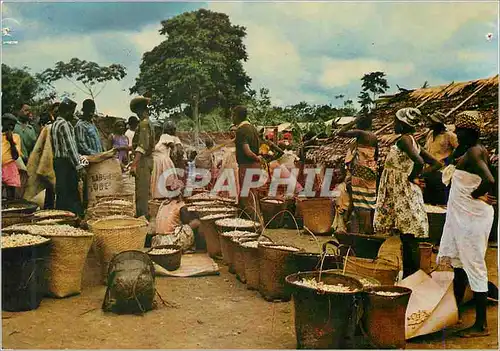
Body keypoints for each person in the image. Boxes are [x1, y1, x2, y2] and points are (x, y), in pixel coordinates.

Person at [437, 111, 496, 338]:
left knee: (473, 266)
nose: (456, 134)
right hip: (464, 217)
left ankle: (480, 325)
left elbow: (489, 180)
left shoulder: (473, 152)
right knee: (459, 263)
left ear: (469, 132)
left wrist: (476, 195)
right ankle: (456, 309)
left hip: (472, 217)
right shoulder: (472, 150)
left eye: (459, 131)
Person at [374, 107, 442, 278]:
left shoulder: (404, 140)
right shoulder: (413, 141)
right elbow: (435, 163)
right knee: (407, 237)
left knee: (408, 238)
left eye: (396, 122)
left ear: (403, 124)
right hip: (403, 192)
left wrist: (412, 177)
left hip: (404, 193)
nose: (394, 124)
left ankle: (411, 278)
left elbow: (419, 161)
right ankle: (410, 276)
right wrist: (415, 176)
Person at [338, 114, 378, 234]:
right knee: (368, 202)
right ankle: (368, 230)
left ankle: (365, 232)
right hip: (370, 170)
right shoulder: (373, 136)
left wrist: (354, 121)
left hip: (361, 171)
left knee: (362, 203)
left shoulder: (362, 134)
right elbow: (376, 156)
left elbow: (341, 132)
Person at [50, 98, 85, 217]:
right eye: (72, 111)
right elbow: (70, 148)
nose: (73, 114)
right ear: (67, 111)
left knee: (62, 192)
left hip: (58, 162)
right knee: (71, 192)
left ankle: (61, 216)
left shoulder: (54, 124)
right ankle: (74, 217)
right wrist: (79, 166)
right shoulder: (64, 124)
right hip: (66, 163)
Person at [233, 105, 263, 221]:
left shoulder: (241, 130)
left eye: (233, 115)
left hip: (247, 166)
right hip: (255, 167)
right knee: (253, 195)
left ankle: (254, 225)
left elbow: (247, 150)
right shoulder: (253, 128)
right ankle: (256, 221)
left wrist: (256, 158)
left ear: (236, 116)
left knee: (247, 197)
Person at [422, 111, 459, 205]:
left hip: (441, 171)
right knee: (428, 200)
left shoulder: (449, 135)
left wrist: (450, 161)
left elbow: (459, 149)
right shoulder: (430, 134)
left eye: (432, 122)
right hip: (429, 170)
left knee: (441, 200)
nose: (430, 124)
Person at [75, 99, 103, 209]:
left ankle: (97, 208)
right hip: (86, 159)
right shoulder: (80, 125)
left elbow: (98, 141)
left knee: (96, 184)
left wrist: (102, 154)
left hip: (97, 159)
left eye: (92, 110)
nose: (91, 113)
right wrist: (95, 155)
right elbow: (81, 145)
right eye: (89, 110)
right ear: (84, 110)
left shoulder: (92, 124)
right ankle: (86, 209)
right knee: (87, 185)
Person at [130, 96, 155, 219]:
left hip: (143, 161)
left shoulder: (144, 124)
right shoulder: (148, 123)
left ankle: (142, 219)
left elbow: (142, 147)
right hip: (146, 160)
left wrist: (134, 164)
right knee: (145, 191)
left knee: (142, 193)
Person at [151, 121, 182, 199]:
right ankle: (157, 198)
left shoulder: (165, 137)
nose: (156, 131)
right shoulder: (151, 139)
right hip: (154, 163)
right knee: (155, 182)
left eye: (157, 129)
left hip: (164, 162)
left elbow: (173, 146)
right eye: (154, 129)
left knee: (167, 182)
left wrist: (174, 152)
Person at [2, 113, 22, 200]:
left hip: (9, 167)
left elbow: (15, 156)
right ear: (3, 122)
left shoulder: (16, 137)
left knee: (10, 195)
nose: (11, 127)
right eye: (9, 124)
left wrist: (11, 141)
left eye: (13, 125)